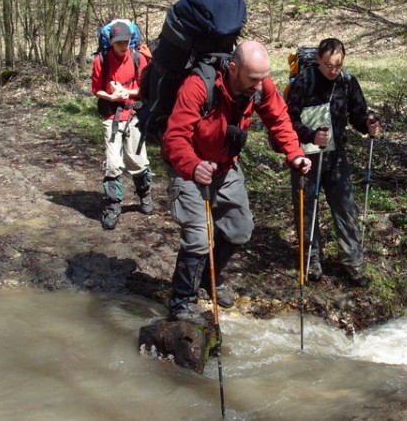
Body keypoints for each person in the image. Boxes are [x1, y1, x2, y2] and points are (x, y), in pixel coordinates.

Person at [162, 40, 312, 325]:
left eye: (263, 78)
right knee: (197, 237)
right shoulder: (198, 85)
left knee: (240, 229)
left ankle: (209, 277)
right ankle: (182, 302)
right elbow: (174, 137)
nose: (259, 86)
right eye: (253, 79)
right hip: (189, 167)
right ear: (233, 69)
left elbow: (279, 120)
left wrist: (295, 154)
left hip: (224, 166)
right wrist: (193, 166)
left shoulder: (261, 87)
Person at [286, 38, 381, 287]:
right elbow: (287, 121)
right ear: (318, 59)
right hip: (305, 157)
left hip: (336, 157)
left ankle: (353, 263)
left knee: (346, 208)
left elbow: (358, 114)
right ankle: (312, 260)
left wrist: (368, 125)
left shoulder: (347, 82)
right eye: (328, 65)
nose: (333, 70)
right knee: (307, 211)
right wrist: (310, 135)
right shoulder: (304, 83)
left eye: (338, 65)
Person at [91, 20, 153, 230]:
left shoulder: (138, 58)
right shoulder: (101, 60)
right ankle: (113, 206)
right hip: (112, 116)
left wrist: (128, 93)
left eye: (126, 41)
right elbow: (96, 89)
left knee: (138, 161)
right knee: (113, 163)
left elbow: (145, 87)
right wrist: (111, 96)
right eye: (119, 43)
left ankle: (145, 195)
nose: (123, 46)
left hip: (134, 114)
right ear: (111, 42)